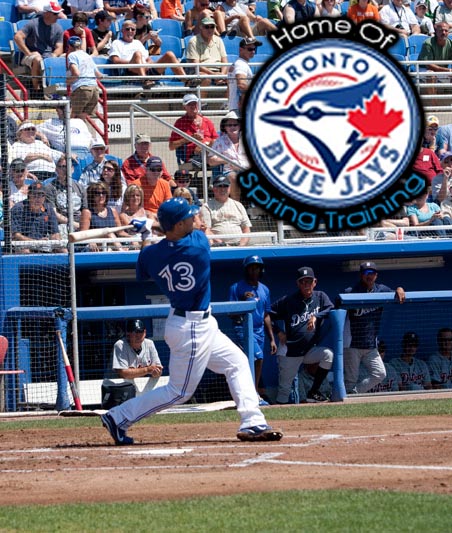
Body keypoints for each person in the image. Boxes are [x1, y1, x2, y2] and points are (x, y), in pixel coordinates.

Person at [101, 197, 283, 444]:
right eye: (189, 217)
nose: (195, 219)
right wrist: (152, 225)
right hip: (192, 328)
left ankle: (252, 421)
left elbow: (143, 265)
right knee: (179, 392)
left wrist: (146, 231)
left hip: (193, 323)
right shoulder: (197, 247)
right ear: (176, 225)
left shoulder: (154, 254)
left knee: (237, 363)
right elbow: (190, 232)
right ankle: (118, 417)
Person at [270, 266, 334, 404]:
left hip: (309, 350)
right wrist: (278, 332)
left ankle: (314, 391)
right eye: (303, 282)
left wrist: (316, 316)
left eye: (309, 281)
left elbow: (331, 309)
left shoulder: (320, 297)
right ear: (298, 284)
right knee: (284, 390)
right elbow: (267, 314)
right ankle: (280, 417)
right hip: (290, 351)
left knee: (328, 355)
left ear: (315, 282)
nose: (306, 285)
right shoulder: (288, 301)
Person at [341, 261, 405, 394]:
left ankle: (354, 393)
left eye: (372, 273)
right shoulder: (350, 292)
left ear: (376, 275)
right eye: (366, 273)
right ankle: (346, 408)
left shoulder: (381, 290)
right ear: (361, 275)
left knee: (380, 373)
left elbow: (396, 293)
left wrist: (399, 288)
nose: (369, 276)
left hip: (370, 345)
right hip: (351, 344)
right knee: (350, 380)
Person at [229, 256, 276, 405]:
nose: (254, 270)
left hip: (260, 331)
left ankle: (250, 394)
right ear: (246, 269)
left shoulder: (264, 289)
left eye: (257, 268)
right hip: (243, 329)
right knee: (257, 358)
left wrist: (272, 339)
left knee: (253, 361)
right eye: (251, 267)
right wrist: (243, 301)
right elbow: (231, 313)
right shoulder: (236, 288)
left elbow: (266, 315)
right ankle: (253, 394)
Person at [108, 20, 185, 91]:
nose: (130, 31)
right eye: (127, 29)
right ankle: (145, 81)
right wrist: (134, 63)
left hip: (146, 69)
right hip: (130, 72)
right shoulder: (116, 43)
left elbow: (148, 59)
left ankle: (187, 80)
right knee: (137, 54)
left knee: (169, 54)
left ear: (135, 32)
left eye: (133, 29)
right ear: (122, 31)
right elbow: (115, 60)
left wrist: (149, 64)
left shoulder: (137, 43)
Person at [13, 2, 64, 97]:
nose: (58, 16)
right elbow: (17, 37)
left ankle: (61, 89)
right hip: (31, 55)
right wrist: (28, 53)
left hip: (49, 55)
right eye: (55, 14)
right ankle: (36, 90)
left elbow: (59, 47)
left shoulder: (58, 28)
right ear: (47, 13)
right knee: (37, 59)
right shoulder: (33, 23)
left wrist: (54, 55)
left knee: (67, 57)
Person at [11, 182, 64, 254]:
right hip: (22, 244)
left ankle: (70, 265)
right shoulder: (18, 208)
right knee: (25, 251)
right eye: (34, 195)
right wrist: (36, 242)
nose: (38, 198)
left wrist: (55, 241)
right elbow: (16, 235)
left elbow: (54, 233)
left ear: (45, 197)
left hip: (42, 244)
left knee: (62, 249)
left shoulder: (48, 208)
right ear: (29, 195)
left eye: (41, 195)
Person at [208, 110, 249, 200]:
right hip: (229, 172)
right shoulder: (219, 141)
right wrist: (227, 160)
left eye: (235, 125)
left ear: (240, 126)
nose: (232, 127)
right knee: (233, 177)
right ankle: (236, 205)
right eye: (229, 125)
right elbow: (211, 161)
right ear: (225, 127)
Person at [200, 175, 251, 246]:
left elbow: (246, 229)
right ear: (214, 189)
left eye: (225, 186)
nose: (223, 189)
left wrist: (241, 246)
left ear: (230, 188)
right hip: (219, 246)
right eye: (220, 186)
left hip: (239, 245)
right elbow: (206, 230)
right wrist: (222, 244)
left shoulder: (239, 205)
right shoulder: (206, 207)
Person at [168, 93, 218, 166]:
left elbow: (216, 139)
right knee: (216, 160)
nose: (193, 106)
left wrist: (205, 145)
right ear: (184, 107)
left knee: (216, 149)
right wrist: (190, 138)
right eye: (189, 104)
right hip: (193, 156)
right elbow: (171, 146)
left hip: (209, 151)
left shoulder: (207, 121)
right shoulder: (180, 123)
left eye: (195, 104)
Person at [79, 182, 129, 251]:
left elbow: (120, 232)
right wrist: (90, 240)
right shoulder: (87, 212)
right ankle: (123, 255)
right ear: (92, 196)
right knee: (109, 234)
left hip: (111, 245)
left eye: (103, 193)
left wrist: (133, 238)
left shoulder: (113, 211)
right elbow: (83, 234)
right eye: (97, 193)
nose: (101, 195)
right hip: (95, 245)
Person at [45, 155, 87, 236]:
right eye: (61, 167)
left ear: (72, 169)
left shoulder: (80, 188)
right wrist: (73, 224)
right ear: (56, 169)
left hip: (80, 224)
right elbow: (54, 213)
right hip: (61, 225)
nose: (64, 170)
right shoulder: (50, 188)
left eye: (66, 167)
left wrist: (83, 226)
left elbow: (85, 211)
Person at [185, 18, 229, 96]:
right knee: (206, 78)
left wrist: (222, 75)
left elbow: (225, 61)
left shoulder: (219, 40)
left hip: (218, 71)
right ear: (201, 27)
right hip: (200, 72)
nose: (210, 29)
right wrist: (213, 74)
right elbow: (196, 64)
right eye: (206, 27)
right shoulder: (193, 41)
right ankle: (203, 105)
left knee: (234, 77)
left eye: (212, 27)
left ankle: (226, 105)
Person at [67, 36, 103, 121]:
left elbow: (76, 73)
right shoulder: (87, 56)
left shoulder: (72, 55)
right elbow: (99, 75)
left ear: (70, 46)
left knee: (73, 116)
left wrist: (68, 81)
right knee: (82, 116)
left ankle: (69, 133)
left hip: (82, 88)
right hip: (94, 89)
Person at [227, 37, 262, 113]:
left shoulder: (237, 64)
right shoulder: (241, 65)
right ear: (241, 50)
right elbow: (241, 85)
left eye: (254, 49)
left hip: (234, 107)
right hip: (240, 109)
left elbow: (229, 88)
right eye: (250, 49)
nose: (253, 51)